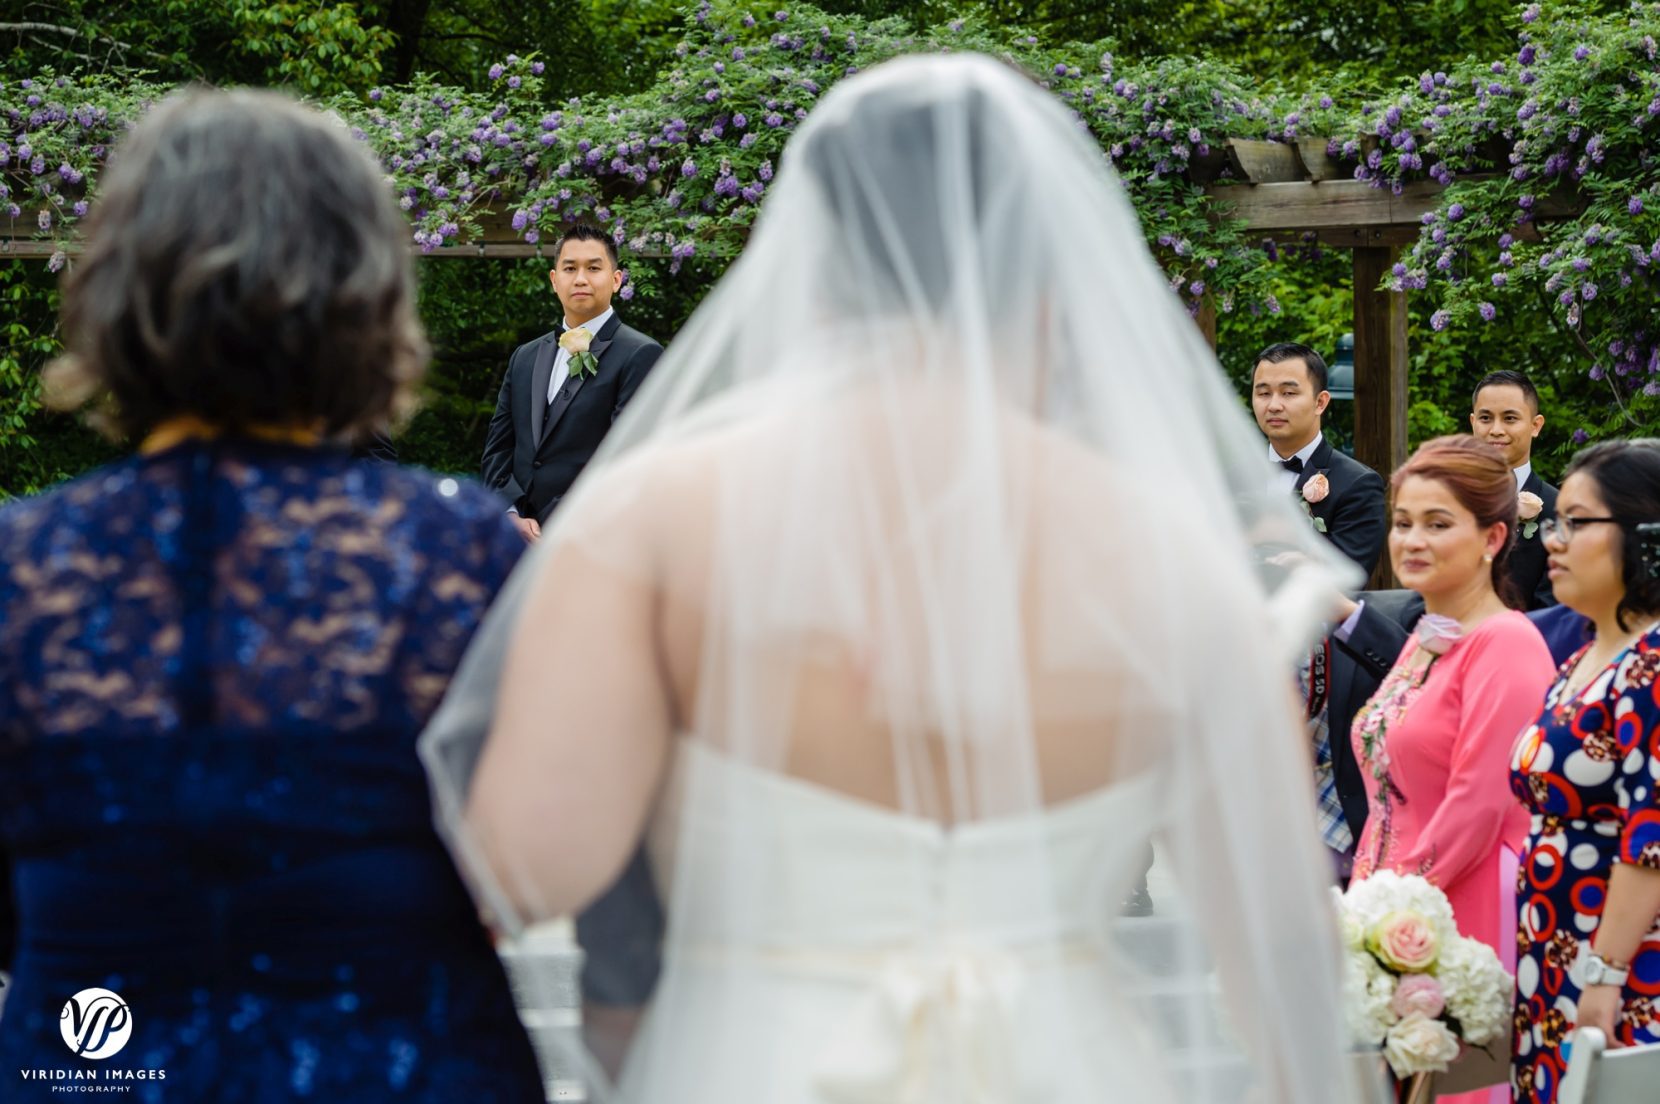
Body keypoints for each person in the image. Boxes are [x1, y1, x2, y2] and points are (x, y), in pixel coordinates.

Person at [422, 54, 1371, 1104]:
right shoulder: (1170, 550)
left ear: (807, 261)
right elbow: (1277, 937)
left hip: (755, 1060)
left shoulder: (657, 519)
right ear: (1051, 274)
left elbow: (531, 861)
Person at [0, 90, 543, 1101]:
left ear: (117, 287)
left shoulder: (22, 564)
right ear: (363, 292)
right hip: (400, 1066)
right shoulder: (454, 549)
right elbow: (527, 870)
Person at [1348, 435, 1556, 1104]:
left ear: (1493, 537)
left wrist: (1386, 921)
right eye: (1403, 522)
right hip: (1391, 901)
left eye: (1439, 524)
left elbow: (1477, 803)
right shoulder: (1427, 635)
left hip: (1460, 904)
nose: (1412, 539)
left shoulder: (1507, 642)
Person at [1509, 439, 1660, 1104]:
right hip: (1555, 950)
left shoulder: (1652, 663)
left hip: (1618, 967)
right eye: (1553, 522)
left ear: (1642, 532)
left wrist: (1604, 974)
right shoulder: (1581, 660)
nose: (1554, 540)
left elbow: (1648, 835)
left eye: (1576, 522)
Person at [480, 224, 663, 540]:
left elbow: (629, 460)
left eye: (593, 268)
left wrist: (556, 526)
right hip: (515, 541)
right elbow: (498, 448)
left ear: (616, 279)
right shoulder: (524, 356)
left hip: (594, 539)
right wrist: (510, 512)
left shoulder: (641, 354)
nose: (580, 278)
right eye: (569, 268)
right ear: (554, 280)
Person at [1251, 342, 1388, 576]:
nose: (1273, 405)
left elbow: (1346, 577)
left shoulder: (1358, 484)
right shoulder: (1230, 477)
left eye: (1289, 393)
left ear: (1320, 402)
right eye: (1263, 393)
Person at [1470, 369, 1557, 610]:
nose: (1496, 429)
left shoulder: (1558, 509)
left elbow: (1552, 609)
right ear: (1473, 422)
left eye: (1509, 418)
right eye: (1486, 418)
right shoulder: (1449, 500)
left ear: (1535, 425)